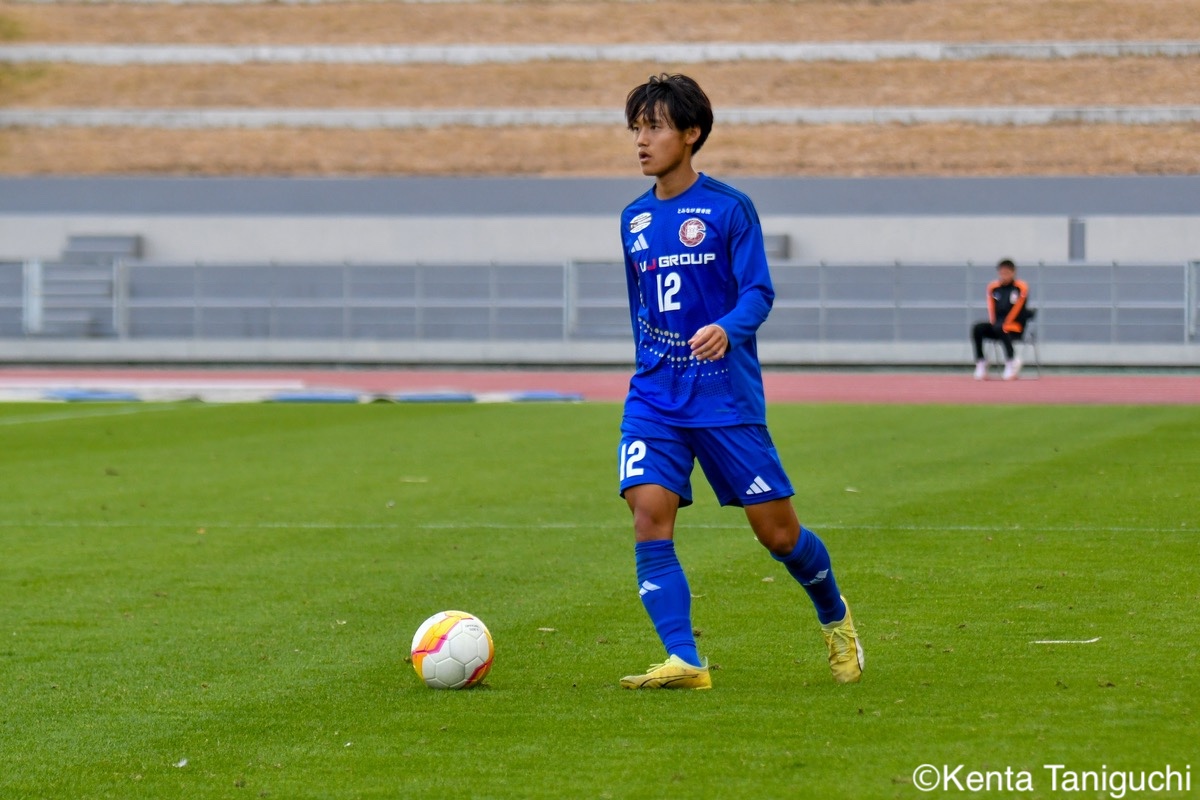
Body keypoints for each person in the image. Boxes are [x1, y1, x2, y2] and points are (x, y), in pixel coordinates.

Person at [615, 73, 863, 690]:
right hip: (656, 395)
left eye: (655, 127)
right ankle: (686, 660)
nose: (641, 140)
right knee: (648, 515)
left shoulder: (729, 209)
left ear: (691, 133)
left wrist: (727, 328)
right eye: (636, 128)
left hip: (724, 397)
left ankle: (835, 618)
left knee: (778, 535)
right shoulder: (633, 219)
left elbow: (758, 292)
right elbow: (640, 307)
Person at [971, 259, 1032, 381]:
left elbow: (1017, 308)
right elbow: (991, 307)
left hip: (1015, 326)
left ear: (1013, 272)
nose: (1004, 276)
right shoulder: (993, 287)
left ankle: (1011, 361)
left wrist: (1005, 323)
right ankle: (981, 362)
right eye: (1002, 273)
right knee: (978, 328)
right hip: (997, 325)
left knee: (1001, 328)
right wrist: (994, 322)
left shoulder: (1020, 287)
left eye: (1007, 273)